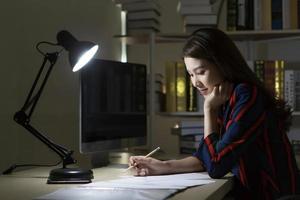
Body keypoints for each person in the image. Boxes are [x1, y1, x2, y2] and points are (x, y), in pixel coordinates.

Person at [129, 28, 300, 199]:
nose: (195, 82)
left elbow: (216, 166)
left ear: (222, 64)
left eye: (201, 72)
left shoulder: (247, 96)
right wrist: (162, 166)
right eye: (190, 74)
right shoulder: (223, 98)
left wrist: (209, 110)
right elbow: (207, 158)